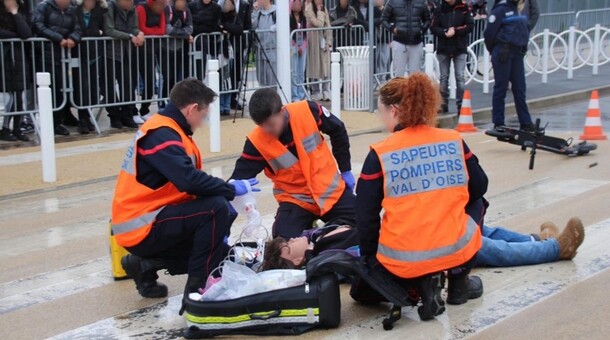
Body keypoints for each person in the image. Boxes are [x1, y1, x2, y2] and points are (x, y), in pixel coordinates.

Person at [111, 79, 258, 312]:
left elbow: (188, 183)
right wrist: (229, 189)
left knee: (218, 249)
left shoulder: (171, 130)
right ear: (191, 109)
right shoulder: (162, 133)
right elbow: (188, 180)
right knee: (216, 209)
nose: (202, 122)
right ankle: (197, 293)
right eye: (203, 115)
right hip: (142, 224)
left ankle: (143, 264)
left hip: (151, 218)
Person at [357, 74, 484, 306]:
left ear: (393, 111)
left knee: (361, 294)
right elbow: (479, 186)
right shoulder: (452, 140)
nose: (380, 117)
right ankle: (458, 282)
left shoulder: (380, 153)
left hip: (401, 260)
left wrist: (369, 259)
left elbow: (366, 215)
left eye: (380, 111)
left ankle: (422, 281)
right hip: (453, 247)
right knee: (478, 202)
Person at [231, 88, 356, 239]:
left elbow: (338, 130)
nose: (267, 130)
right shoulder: (256, 143)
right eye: (262, 126)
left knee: (365, 220)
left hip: (330, 192)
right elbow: (238, 178)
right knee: (282, 242)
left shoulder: (308, 111)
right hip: (296, 200)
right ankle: (324, 234)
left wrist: (345, 169)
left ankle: (320, 234)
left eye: (271, 124)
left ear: (282, 111)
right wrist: (229, 191)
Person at [263, 216, 586, 270]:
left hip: (407, 224)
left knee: (479, 228)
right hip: (411, 243)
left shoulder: (318, 236)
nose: (292, 238)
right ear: (294, 261)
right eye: (288, 246)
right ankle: (557, 249)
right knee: (482, 247)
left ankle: (535, 239)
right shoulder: (327, 259)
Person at [32, 0, 82, 136]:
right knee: (51, 91)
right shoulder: (44, 7)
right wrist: (58, 38)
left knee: (62, 89)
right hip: (45, 54)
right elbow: (38, 26)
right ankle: (51, 123)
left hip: (64, 55)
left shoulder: (71, 10)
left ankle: (59, 120)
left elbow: (77, 28)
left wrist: (73, 38)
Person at [484, 0, 534, 132]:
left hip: (517, 53)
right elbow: (489, 34)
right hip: (503, 52)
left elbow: (525, 29)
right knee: (501, 87)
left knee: (520, 89)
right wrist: (495, 50)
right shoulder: (501, 9)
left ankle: (525, 122)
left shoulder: (521, 9)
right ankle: (498, 122)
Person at [103, 0, 142, 129]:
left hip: (126, 52)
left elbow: (134, 27)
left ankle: (127, 114)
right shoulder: (110, 7)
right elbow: (109, 30)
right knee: (109, 86)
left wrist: (139, 33)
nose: (130, 2)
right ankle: (114, 115)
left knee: (128, 84)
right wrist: (130, 36)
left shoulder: (132, 9)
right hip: (110, 52)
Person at [430, 0, 474, 115]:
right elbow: (433, 27)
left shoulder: (463, 8)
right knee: (444, 77)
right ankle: (443, 104)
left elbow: (470, 25)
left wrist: (455, 31)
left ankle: (461, 105)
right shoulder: (439, 9)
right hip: (443, 47)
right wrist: (445, 32)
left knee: (460, 77)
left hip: (459, 47)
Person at [0, 0, 31, 142]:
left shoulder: (21, 10)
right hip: (4, 58)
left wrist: (15, 13)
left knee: (19, 95)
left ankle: (17, 128)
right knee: (9, 97)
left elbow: (26, 33)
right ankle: (4, 128)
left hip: (18, 58)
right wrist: (15, 36)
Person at [74, 0, 106, 135]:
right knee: (82, 88)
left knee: (93, 89)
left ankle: (88, 115)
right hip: (79, 55)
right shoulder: (75, 12)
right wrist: (95, 32)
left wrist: (96, 32)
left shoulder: (99, 11)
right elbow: (79, 32)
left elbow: (102, 31)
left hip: (94, 54)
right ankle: (83, 118)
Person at [381, 0, 431, 77]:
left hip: (416, 42)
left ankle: (413, 89)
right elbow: (384, 19)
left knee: (415, 77)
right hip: (399, 41)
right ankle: (399, 89)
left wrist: (421, 30)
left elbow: (428, 19)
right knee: (398, 75)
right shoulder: (392, 1)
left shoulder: (421, 1)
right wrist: (392, 29)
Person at [135, 0, 165, 118]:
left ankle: (144, 109)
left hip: (151, 51)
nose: (162, 7)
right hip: (137, 50)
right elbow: (141, 28)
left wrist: (151, 32)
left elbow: (162, 30)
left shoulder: (161, 10)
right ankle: (131, 111)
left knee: (150, 82)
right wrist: (154, 32)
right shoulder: (141, 8)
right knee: (131, 82)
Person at [163, 0, 193, 106]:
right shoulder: (167, 10)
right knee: (167, 77)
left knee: (179, 77)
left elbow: (190, 28)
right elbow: (168, 30)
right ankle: (163, 101)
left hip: (181, 49)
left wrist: (183, 34)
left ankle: (175, 102)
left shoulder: (187, 12)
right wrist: (185, 35)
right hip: (166, 49)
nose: (181, 4)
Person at [304, 0, 332, 101]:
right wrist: (320, 12)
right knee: (315, 66)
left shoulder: (324, 8)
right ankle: (315, 91)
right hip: (314, 41)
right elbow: (318, 23)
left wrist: (329, 41)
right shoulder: (309, 8)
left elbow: (328, 25)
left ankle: (326, 90)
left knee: (326, 67)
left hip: (323, 40)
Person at [218, 0, 242, 115]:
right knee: (220, 78)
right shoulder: (219, 15)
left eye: (229, 3)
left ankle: (226, 105)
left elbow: (239, 29)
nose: (227, 5)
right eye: (226, 3)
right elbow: (217, 26)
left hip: (229, 50)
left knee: (228, 78)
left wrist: (226, 26)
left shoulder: (235, 17)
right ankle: (221, 105)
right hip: (220, 51)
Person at [189, 0, 221, 80]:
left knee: (206, 69)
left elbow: (216, 25)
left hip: (209, 42)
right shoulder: (192, 6)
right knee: (194, 68)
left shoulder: (216, 8)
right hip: (194, 41)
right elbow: (190, 24)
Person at [251, 0, 277, 86]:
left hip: (271, 49)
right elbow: (252, 25)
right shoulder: (258, 13)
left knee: (272, 78)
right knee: (261, 77)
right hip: (259, 49)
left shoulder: (276, 11)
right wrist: (254, 11)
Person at [289, 0, 307, 102]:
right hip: (293, 46)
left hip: (303, 47)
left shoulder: (304, 19)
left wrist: (303, 47)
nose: (298, 5)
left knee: (301, 72)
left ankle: (301, 93)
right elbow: (289, 35)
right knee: (294, 71)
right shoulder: (289, 18)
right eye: (295, 3)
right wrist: (295, 47)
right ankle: (294, 95)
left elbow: (307, 34)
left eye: (299, 3)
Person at [373, 0, 391, 83]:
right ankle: (375, 80)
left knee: (384, 59)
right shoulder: (372, 10)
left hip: (385, 39)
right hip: (375, 39)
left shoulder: (387, 10)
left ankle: (382, 79)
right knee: (375, 59)